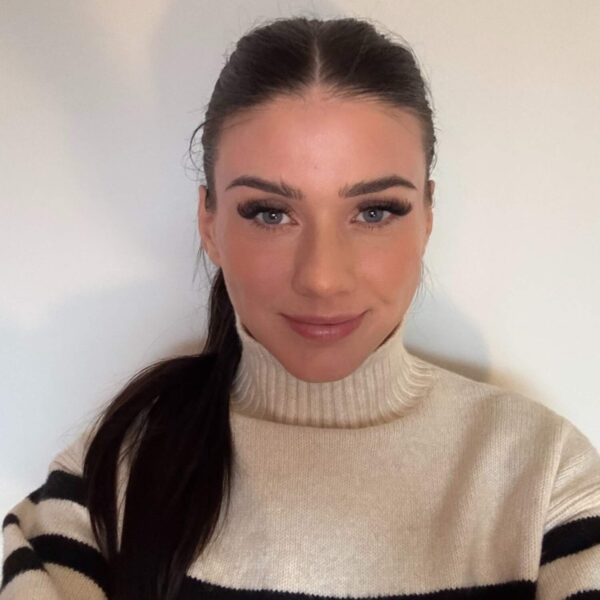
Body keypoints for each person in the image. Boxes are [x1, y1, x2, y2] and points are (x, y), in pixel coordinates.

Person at [2, 15, 599, 600]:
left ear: (426, 216)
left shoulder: (548, 480)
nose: (321, 279)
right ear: (209, 223)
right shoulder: (111, 475)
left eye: (375, 211)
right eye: (270, 213)